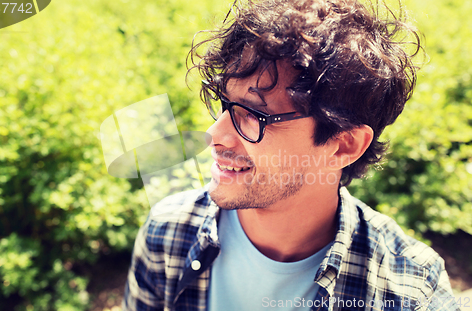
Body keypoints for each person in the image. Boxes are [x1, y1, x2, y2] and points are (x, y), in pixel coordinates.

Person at [123, 0, 459, 310]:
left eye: (254, 115)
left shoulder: (411, 290)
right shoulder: (167, 234)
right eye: (224, 105)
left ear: (343, 145)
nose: (214, 136)